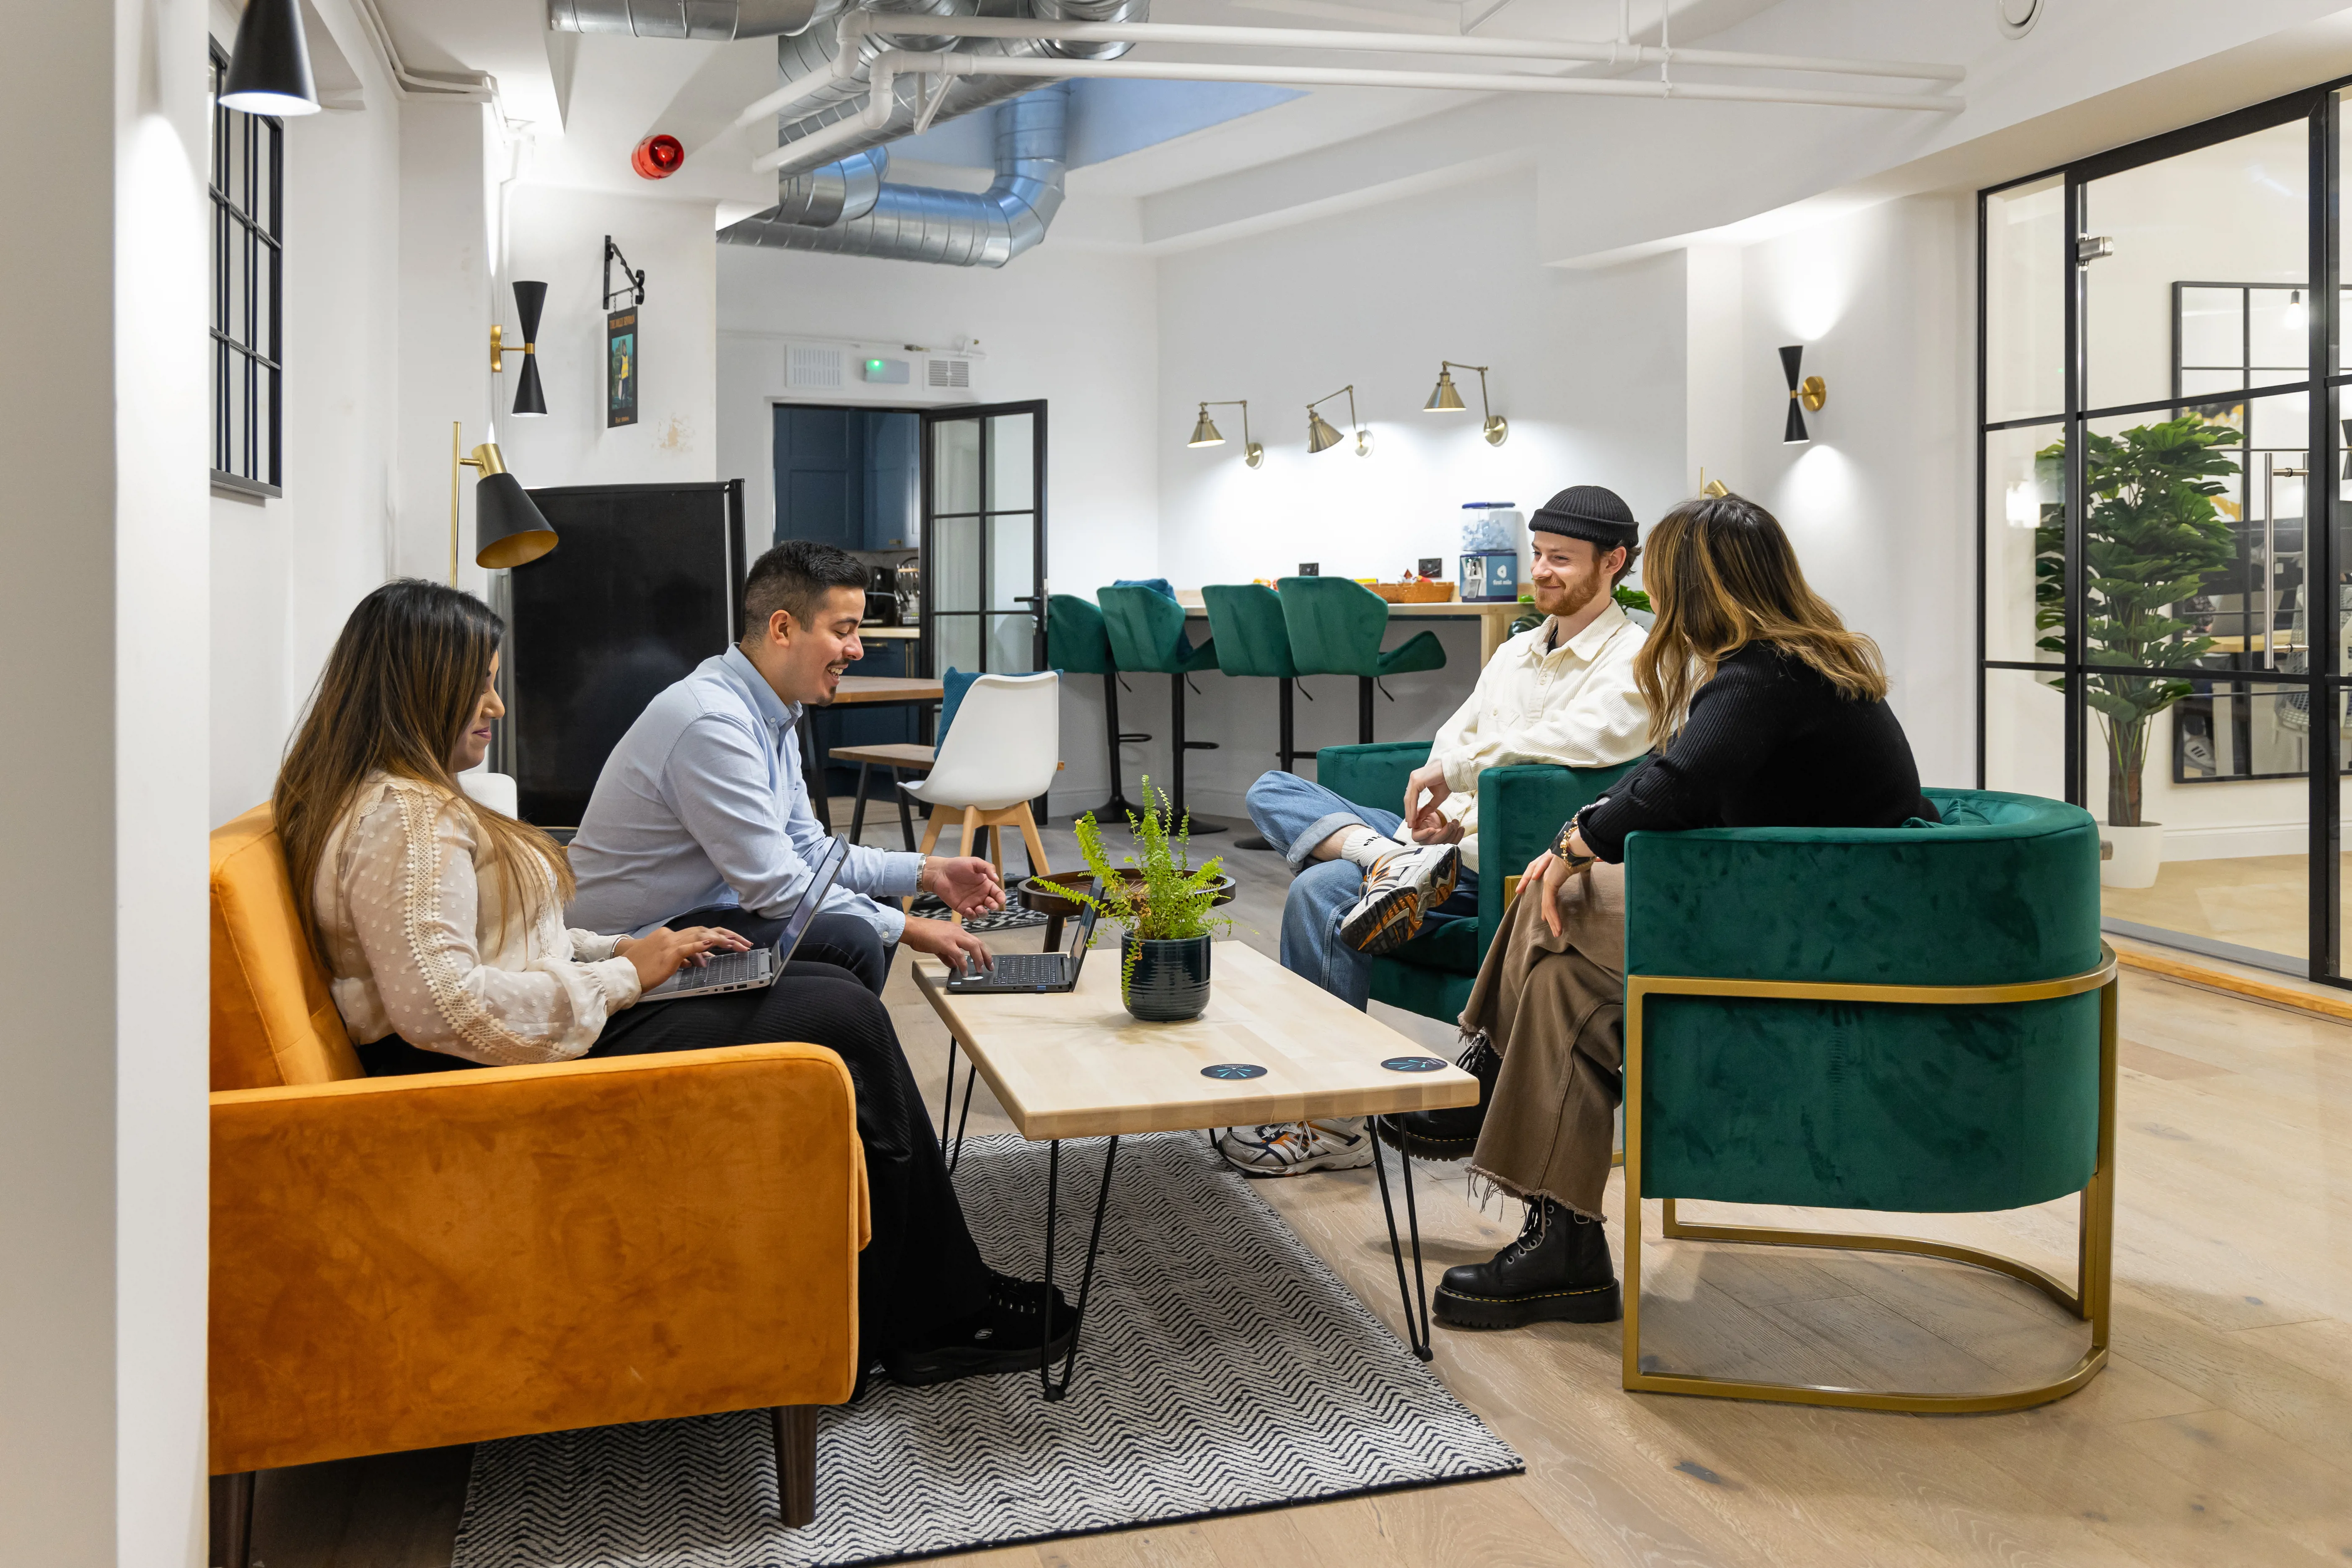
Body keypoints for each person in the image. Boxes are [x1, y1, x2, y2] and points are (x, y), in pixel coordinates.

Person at [275, 579, 1071, 1387]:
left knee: (833, 992)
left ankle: (904, 1291)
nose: (496, 705)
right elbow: (444, 1011)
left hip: (547, 1023)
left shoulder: (410, 804)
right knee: (842, 1012)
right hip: (500, 1074)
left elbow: (512, 946)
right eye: (477, 683)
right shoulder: (407, 823)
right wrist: (624, 975)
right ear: (418, 688)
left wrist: (625, 947)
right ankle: (934, 1314)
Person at [1395, 492, 1942, 1332]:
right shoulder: (1786, 662)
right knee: (1563, 990)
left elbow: (1679, 786)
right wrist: (1582, 833)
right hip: (1797, 907)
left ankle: (1481, 1081)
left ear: (1698, 585)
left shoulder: (1769, 672)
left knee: (1560, 895)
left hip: (1823, 935)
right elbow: (1670, 772)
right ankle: (1564, 1248)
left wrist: (1575, 842)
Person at [1217, 485, 1653, 1178]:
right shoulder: (1514, 653)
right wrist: (1435, 815)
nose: (1540, 570)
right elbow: (1460, 731)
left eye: (1560, 559)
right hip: (1439, 848)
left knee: (1322, 890)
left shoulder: (1636, 659)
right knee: (1271, 789)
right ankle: (1387, 858)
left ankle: (1329, 1121)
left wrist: (1457, 774)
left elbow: (1575, 742)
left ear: (1613, 563)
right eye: (1537, 554)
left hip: (1494, 862)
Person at [567, 539, 1006, 996]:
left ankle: (830, 1041)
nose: (856, 650)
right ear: (782, 628)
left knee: (874, 905)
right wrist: (912, 928)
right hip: (631, 945)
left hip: (695, 917)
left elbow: (808, 851)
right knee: (854, 936)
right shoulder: (712, 721)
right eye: (843, 631)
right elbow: (775, 888)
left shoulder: (770, 711)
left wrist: (926, 872)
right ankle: (826, 1049)